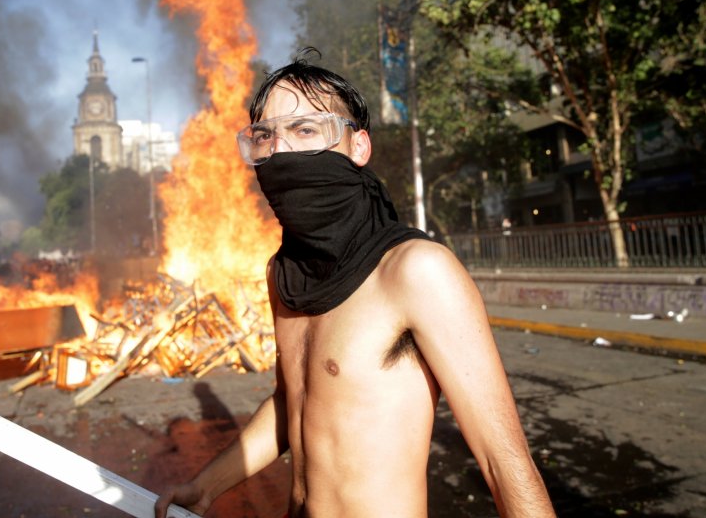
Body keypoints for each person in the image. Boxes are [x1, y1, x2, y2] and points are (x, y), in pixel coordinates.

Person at [154, 49, 554, 518]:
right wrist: (207, 485)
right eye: (265, 136)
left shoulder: (416, 271)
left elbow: (503, 461)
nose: (281, 151)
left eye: (305, 130)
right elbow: (292, 404)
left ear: (358, 148)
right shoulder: (284, 273)